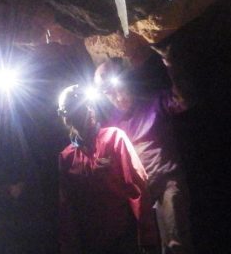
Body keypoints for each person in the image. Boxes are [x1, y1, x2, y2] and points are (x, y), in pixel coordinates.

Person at [94, 47, 195, 254]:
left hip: (167, 182)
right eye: (107, 92)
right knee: (148, 248)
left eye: (115, 87)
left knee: (176, 245)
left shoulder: (152, 102)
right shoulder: (113, 123)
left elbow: (183, 100)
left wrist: (170, 63)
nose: (115, 95)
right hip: (141, 193)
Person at [57, 84, 159, 254]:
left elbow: (136, 186)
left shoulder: (114, 138)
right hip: (92, 243)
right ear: (67, 117)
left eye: (87, 106)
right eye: (80, 109)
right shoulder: (66, 157)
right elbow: (67, 208)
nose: (87, 111)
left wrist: (147, 237)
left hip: (124, 238)